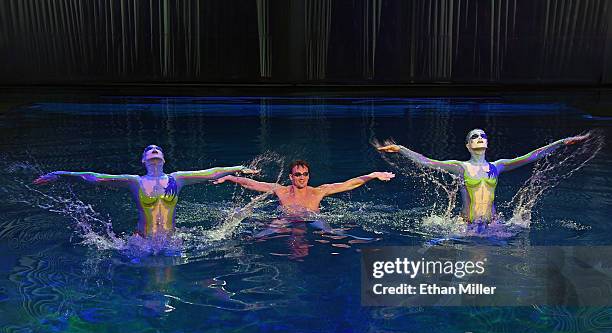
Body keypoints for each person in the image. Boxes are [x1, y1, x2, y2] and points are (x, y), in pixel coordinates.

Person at [34, 144, 256, 237]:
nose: (154, 150)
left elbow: (211, 172)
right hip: (141, 240)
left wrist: (239, 168)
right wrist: (60, 174)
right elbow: (96, 178)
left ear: (163, 158)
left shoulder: (177, 179)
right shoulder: (134, 181)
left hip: (170, 239)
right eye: (149, 150)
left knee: (169, 280)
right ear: (143, 160)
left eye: (157, 149)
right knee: (145, 281)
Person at [376, 129, 590, 224]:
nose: (479, 138)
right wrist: (401, 148)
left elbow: (531, 156)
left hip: (492, 225)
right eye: (474, 137)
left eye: (483, 136)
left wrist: (562, 142)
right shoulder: (460, 167)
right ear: (468, 145)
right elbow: (427, 161)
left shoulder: (498, 166)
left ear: (487, 143)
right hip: (465, 226)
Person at [213, 160, 395, 214]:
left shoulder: (319, 191)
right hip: (285, 221)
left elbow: (348, 184)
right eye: (298, 175)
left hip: (312, 219)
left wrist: (371, 176)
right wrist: (229, 177)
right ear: (291, 177)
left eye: (305, 174)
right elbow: (253, 184)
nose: (302, 178)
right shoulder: (280, 190)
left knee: (333, 234)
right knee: (260, 236)